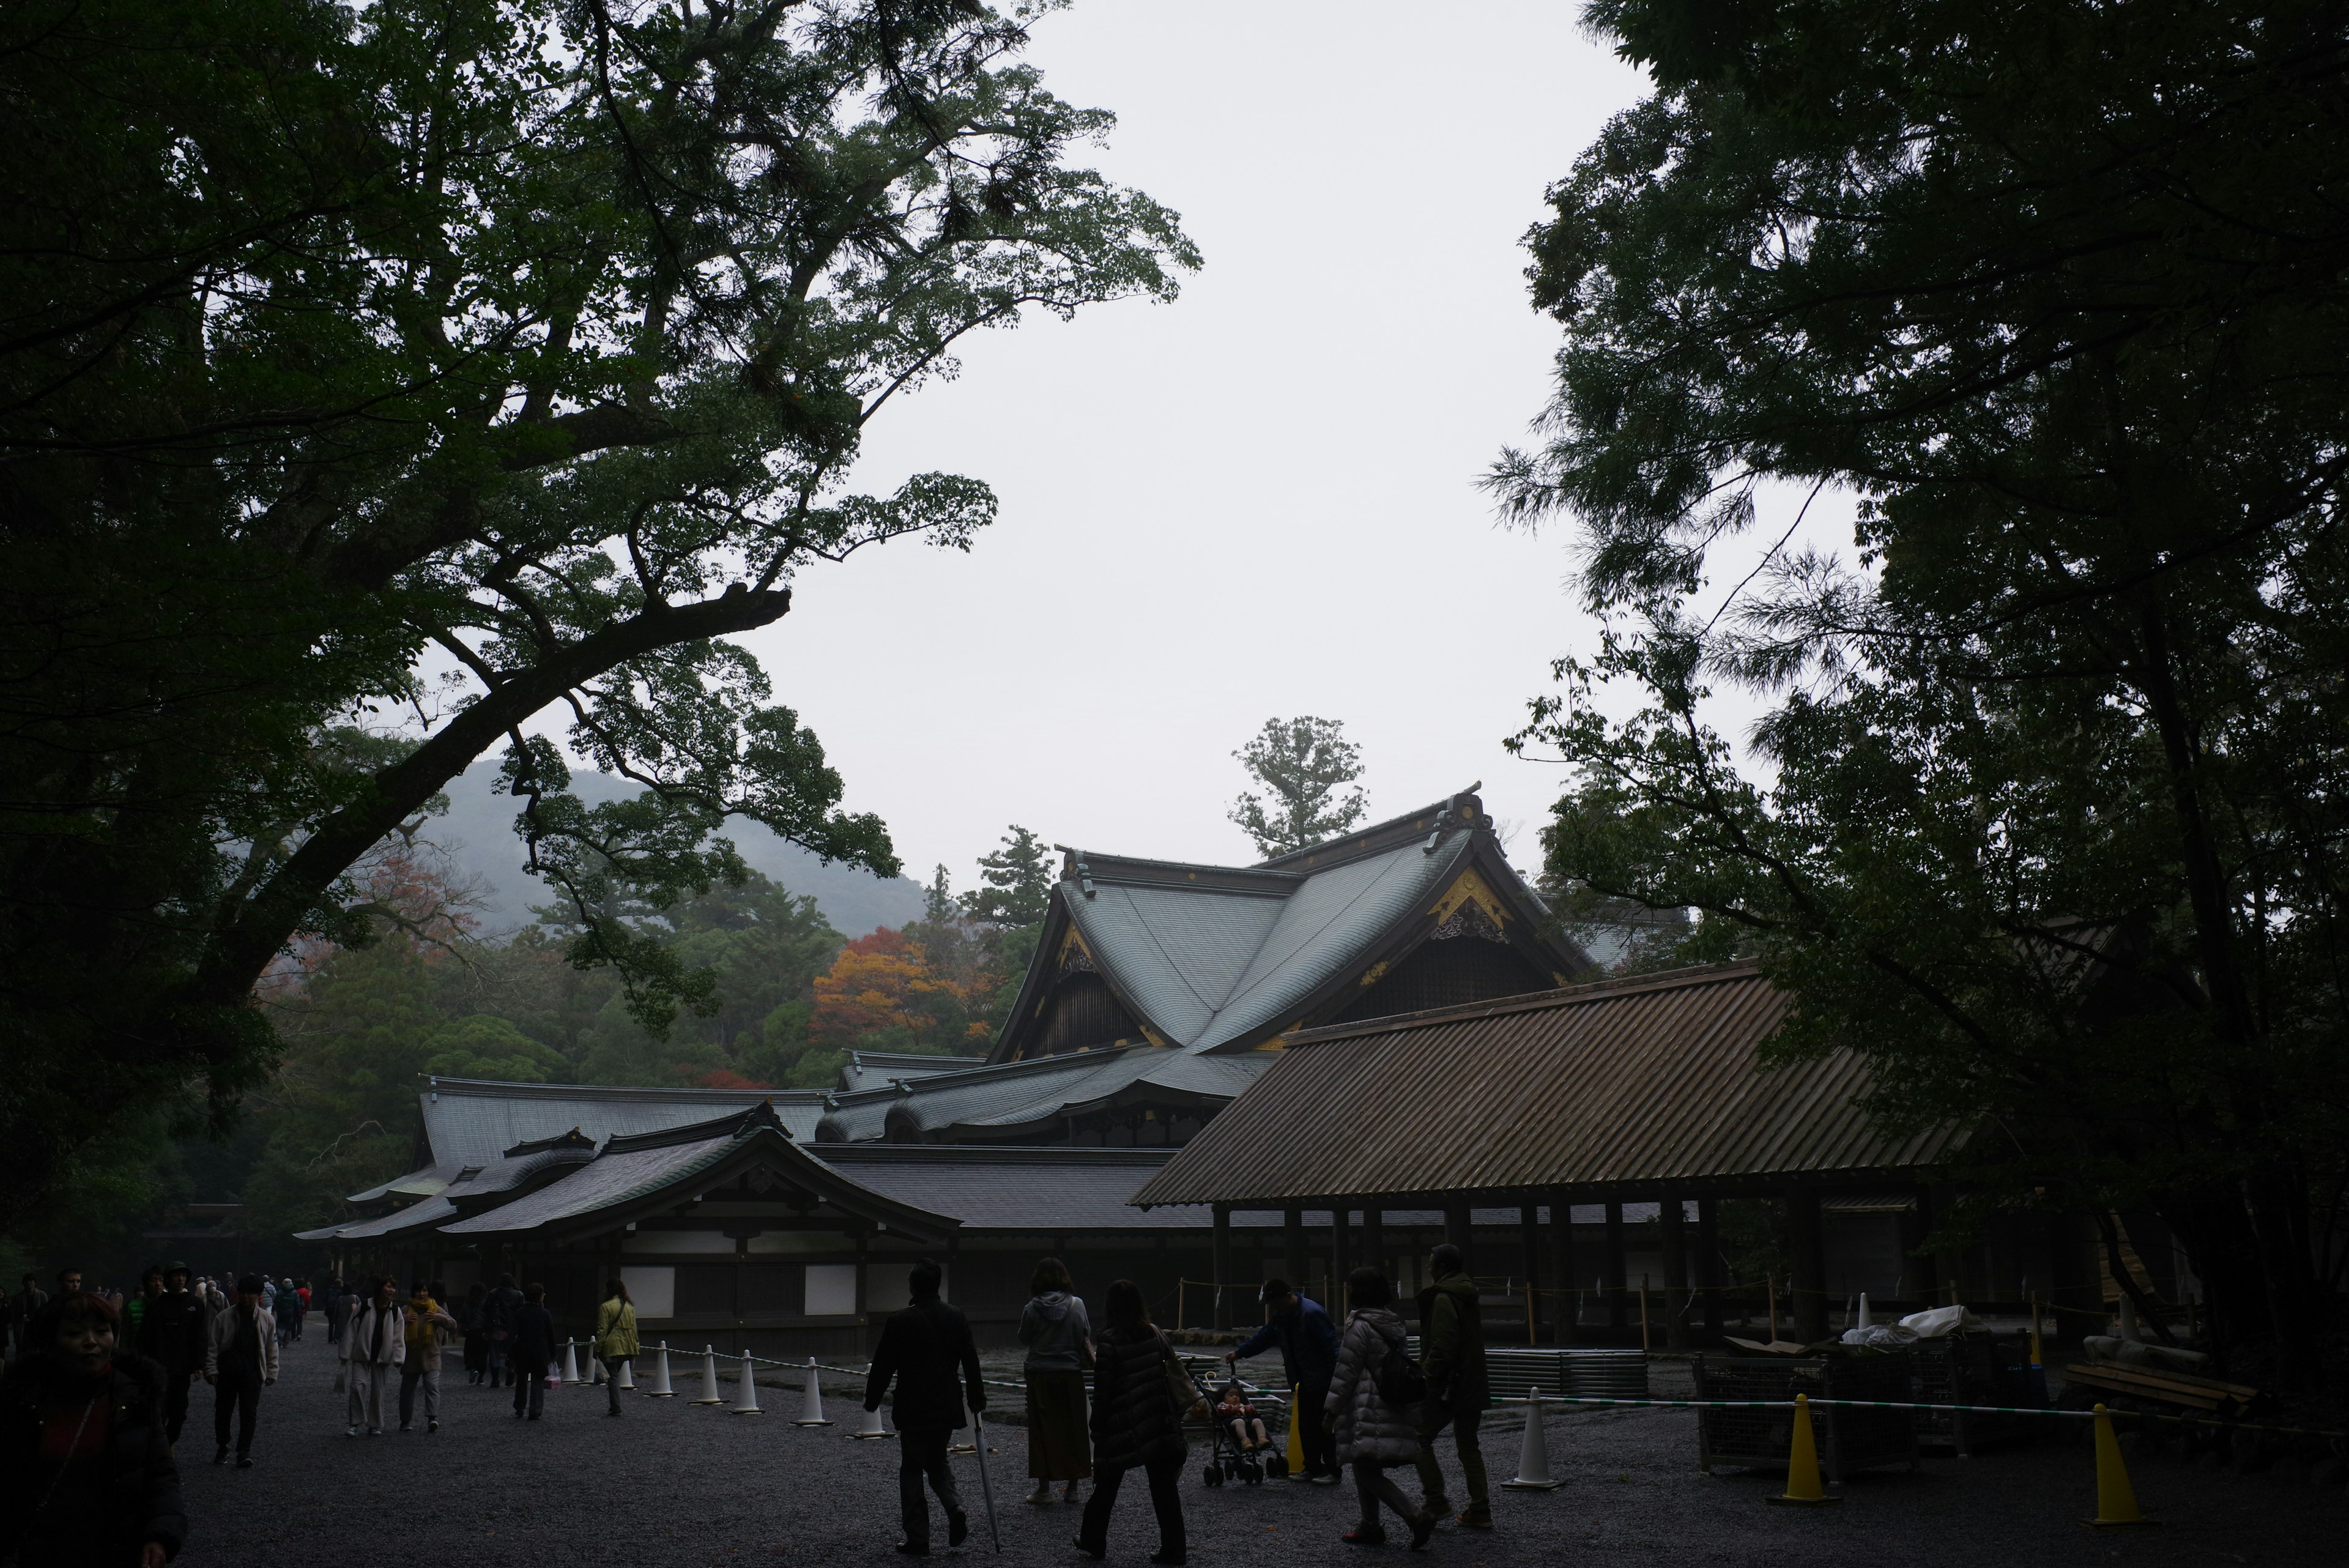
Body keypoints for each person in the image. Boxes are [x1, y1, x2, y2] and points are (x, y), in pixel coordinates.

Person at [0, 1290, 186, 1566]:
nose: (91, 1342)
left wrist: (160, 1534)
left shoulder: (135, 1398)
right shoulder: (22, 1400)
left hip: (115, 1547)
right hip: (40, 1549)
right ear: (50, 1342)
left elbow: (161, 1475)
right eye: (75, 1333)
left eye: (102, 1331)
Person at [863, 1258, 985, 1556]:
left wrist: (872, 1399)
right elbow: (970, 1359)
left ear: (914, 1286)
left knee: (912, 1467)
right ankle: (954, 1505)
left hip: (913, 1403)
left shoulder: (900, 1321)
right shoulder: (956, 1316)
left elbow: (883, 1365)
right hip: (946, 1402)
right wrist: (976, 1397)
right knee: (938, 1461)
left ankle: (918, 1537)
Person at [1074, 1279, 1190, 1567]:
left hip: (1122, 1423)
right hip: (1156, 1418)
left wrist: (1097, 1426)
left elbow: (1104, 1390)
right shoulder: (1153, 1333)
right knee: (1164, 1488)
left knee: (1107, 1484)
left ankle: (1094, 1539)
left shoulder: (1110, 1339)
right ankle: (1174, 1550)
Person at [1326, 1266, 1434, 1549]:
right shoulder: (1393, 1323)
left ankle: (1414, 1515)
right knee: (1365, 1465)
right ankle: (1370, 1526)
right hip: (1390, 1401)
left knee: (1367, 1471)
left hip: (1366, 1406)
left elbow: (1346, 1371)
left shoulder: (1359, 1325)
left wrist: (1331, 1411)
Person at [1223, 1277, 1341, 1483]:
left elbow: (1331, 1348)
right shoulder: (1282, 1315)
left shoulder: (1312, 1314)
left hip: (1323, 1379)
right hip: (1304, 1379)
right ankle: (1313, 1468)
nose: (1275, 1308)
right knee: (1306, 1426)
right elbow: (1265, 1337)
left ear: (1289, 1296)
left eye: (1277, 1304)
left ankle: (1333, 1470)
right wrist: (1240, 1353)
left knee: (1325, 1426)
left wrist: (1336, 1381)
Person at [1412, 1244, 1491, 1530]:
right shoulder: (1467, 1293)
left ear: (1443, 1268)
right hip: (1472, 1380)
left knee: (1419, 1438)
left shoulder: (1445, 1297)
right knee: (1469, 1445)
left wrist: (1425, 1375)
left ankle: (1436, 1499)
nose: (1429, 1269)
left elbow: (1443, 1345)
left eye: (1431, 1264)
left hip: (1448, 1384)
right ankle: (1480, 1508)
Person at [1017, 1257, 1092, 1506]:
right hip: (1071, 1374)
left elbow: (1024, 1338)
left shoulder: (1031, 1308)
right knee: (1074, 1430)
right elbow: (1085, 1334)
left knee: (1043, 1432)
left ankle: (1044, 1490)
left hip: (1041, 1375)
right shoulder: (1078, 1305)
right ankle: (1072, 1489)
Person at [202, 1274, 278, 1468]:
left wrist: (271, 1371)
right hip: (228, 1371)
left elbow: (272, 1347)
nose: (245, 1297)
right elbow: (213, 1346)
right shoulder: (224, 1318)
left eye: (250, 1294)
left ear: (258, 1295)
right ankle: (223, 1444)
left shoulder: (266, 1319)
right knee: (223, 1411)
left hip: (252, 1372)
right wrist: (211, 1369)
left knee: (249, 1413)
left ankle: (243, 1451)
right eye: (242, 1293)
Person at [146, 1265, 209, 1452]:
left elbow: (200, 1335)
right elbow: (147, 1337)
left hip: (182, 1367)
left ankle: (167, 1444)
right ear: (168, 1279)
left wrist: (199, 1364)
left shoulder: (195, 1304)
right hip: (158, 1365)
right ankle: (160, 1449)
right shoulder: (156, 1305)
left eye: (183, 1275)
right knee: (159, 1411)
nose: (180, 1279)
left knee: (179, 1412)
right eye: (176, 1275)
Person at [340, 1277, 405, 1437]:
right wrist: (345, 1353)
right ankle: (354, 1422)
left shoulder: (395, 1311)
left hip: (383, 1355)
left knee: (379, 1391)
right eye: (389, 1287)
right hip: (362, 1353)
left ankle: (375, 1424)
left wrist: (399, 1357)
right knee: (357, 1387)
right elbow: (352, 1329)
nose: (391, 1291)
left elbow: (398, 1336)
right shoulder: (365, 1306)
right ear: (380, 1288)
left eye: (393, 1288)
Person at [397, 1282, 458, 1433]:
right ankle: (405, 1421)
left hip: (432, 1356)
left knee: (432, 1386)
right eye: (418, 1291)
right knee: (407, 1390)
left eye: (424, 1291)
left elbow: (453, 1324)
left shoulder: (435, 1308)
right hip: (411, 1356)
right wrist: (403, 1319)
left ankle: (432, 1418)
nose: (422, 1294)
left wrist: (440, 1318)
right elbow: (391, 1324)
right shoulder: (405, 1310)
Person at [509, 1283, 557, 1422]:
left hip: (523, 1349)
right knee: (538, 1380)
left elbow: (513, 1333)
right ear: (541, 1297)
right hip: (540, 1351)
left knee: (522, 1379)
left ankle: (519, 1407)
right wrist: (553, 1353)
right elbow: (551, 1335)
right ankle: (535, 1410)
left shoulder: (520, 1312)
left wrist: (508, 1350)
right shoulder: (545, 1313)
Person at [592, 1279, 639, 1418]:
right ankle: (615, 1406)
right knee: (615, 1375)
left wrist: (598, 1348)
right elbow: (634, 1329)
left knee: (612, 1377)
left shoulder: (606, 1306)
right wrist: (636, 1348)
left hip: (612, 1345)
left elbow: (602, 1330)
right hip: (627, 1345)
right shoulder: (629, 1306)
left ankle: (616, 1407)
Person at [480, 1274, 524, 1388]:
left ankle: (495, 1380)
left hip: (496, 1328)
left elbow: (486, 1310)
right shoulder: (519, 1295)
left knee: (494, 1353)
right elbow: (521, 1312)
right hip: (512, 1329)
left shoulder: (494, 1293)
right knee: (512, 1352)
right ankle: (511, 1369)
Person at [1216, 1382, 1271, 1452]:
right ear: (1223, 1398)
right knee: (1239, 1421)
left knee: (1257, 1421)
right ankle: (1245, 1441)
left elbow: (1253, 1414)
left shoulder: (1242, 1405)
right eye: (1231, 1395)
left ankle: (1262, 1438)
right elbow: (1220, 1411)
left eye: (1237, 1395)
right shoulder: (1223, 1405)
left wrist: (1249, 1411)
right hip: (1230, 1423)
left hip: (1246, 1421)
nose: (1235, 1397)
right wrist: (1232, 1410)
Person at [456, 1282, 489, 1384]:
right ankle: (481, 1378)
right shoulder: (486, 1302)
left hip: (471, 1331)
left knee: (470, 1353)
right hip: (483, 1331)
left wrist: (457, 1333)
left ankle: (473, 1368)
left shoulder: (468, 1303)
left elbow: (462, 1319)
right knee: (483, 1354)